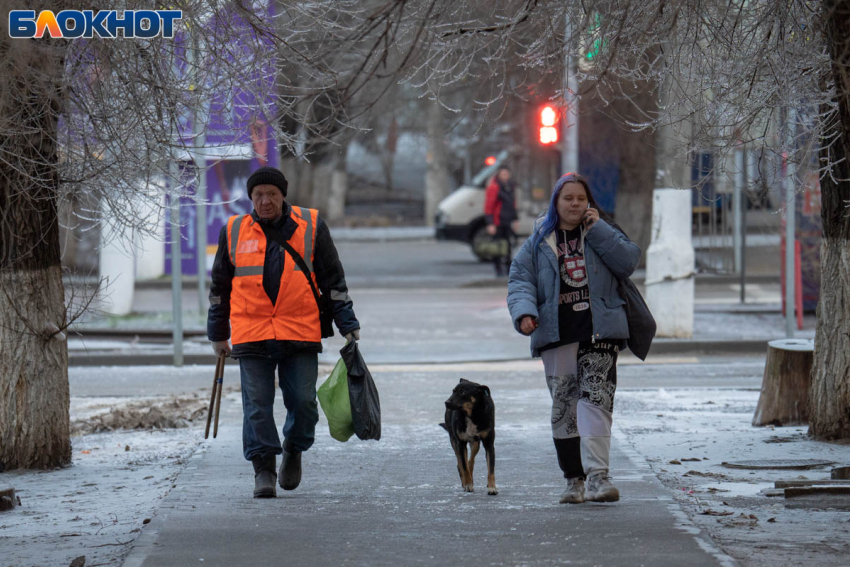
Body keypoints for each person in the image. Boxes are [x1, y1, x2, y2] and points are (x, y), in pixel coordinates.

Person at [207, 166, 360, 499]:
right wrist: (218, 333)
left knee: (303, 403)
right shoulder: (233, 231)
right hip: (251, 332)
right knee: (257, 407)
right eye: (259, 195)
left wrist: (348, 324)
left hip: (299, 330)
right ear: (250, 198)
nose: (265, 201)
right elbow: (220, 287)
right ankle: (264, 469)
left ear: (283, 196)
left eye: (272, 195)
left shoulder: (312, 226)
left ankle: (294, 446)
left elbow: (334, 280)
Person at [506, 172, 640, 504]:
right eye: (568, 198)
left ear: (589, 202)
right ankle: (573, 480)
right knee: (565, 406)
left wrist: (599, 230)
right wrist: (524, 313)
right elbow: (520, 279)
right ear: (556, 202)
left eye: (581, 198)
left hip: (601, 331)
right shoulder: (540, 239)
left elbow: (628, 262)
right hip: (556, 333)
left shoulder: (602, 231)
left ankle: (598, 478)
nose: (575, 204)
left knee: (597, 402)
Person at [484, 165, 519, 277]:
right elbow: (489, 206)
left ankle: (508, 269)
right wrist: (490, 223)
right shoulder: (494, 187)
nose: (505, 176)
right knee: (497, 247)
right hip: (497, 221)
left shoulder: (510, 186)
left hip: (507, 220)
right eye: (503, 174)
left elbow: (512, 204)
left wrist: (515, 219)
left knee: (508, 245)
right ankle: (498, 269)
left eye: (506, 174)